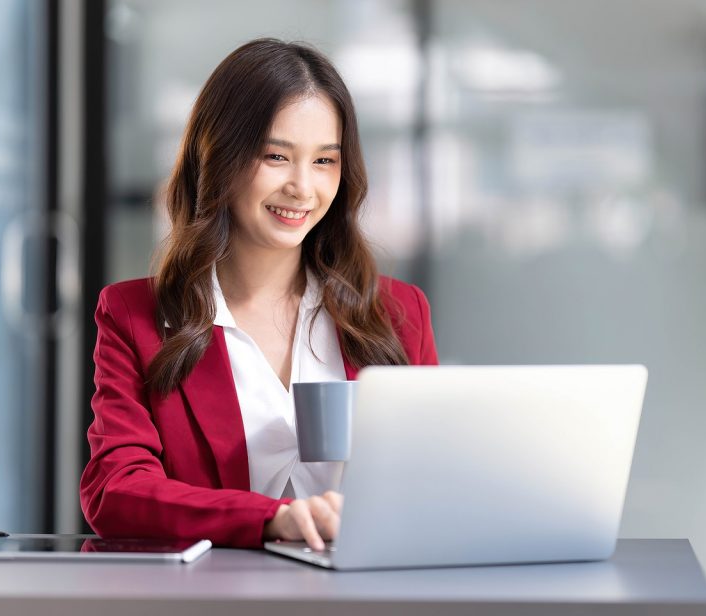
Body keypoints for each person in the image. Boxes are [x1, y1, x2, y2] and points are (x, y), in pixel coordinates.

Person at [80, 38, 439, 551]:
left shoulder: (399, 313)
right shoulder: (135, 316)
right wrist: (273, 519)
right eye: (276, 156)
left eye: (324, 161)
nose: (302, 187)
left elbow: (436, 478)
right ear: (220, 157)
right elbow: (115, 491)